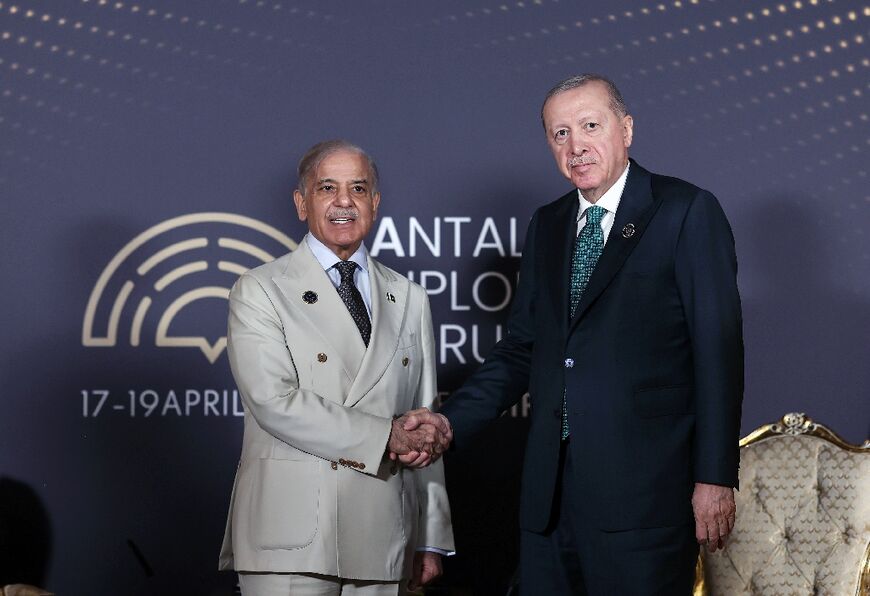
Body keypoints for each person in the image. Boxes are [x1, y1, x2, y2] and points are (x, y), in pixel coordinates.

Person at [430, 74, 744, 594]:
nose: (576, 146)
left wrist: (715, 477)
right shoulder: (548, 223)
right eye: (559, 134)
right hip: (548, 501)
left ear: (626, 129)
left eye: (590, 126)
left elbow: (719, 354)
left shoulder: (686, 211)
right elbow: (520, 350)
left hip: (645, 500)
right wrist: (447, 423)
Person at [219, 140, 455, 595]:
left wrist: (431, 537)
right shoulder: (261, 289)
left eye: (358, 188)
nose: (344, 201)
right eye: (327, 187)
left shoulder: (409, 296)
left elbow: (422, 418)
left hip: (386, 531)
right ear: (301, 202)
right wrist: (386, 435)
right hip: (291, 539)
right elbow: (275, 402)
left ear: (375, 203)